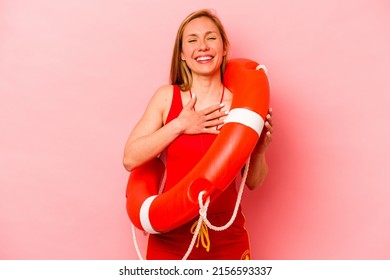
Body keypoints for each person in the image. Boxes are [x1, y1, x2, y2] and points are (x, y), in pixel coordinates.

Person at [123, 9, 273, 260]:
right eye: (192, 40)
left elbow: (254, 183)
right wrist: (180, 125)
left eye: (210, 38)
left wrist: (259, 151)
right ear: (182, 54)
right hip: (171, 234)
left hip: (227, 236)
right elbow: (130, 158)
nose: (202, 47)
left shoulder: (241, 108)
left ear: (225, 48)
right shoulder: (166, 97)